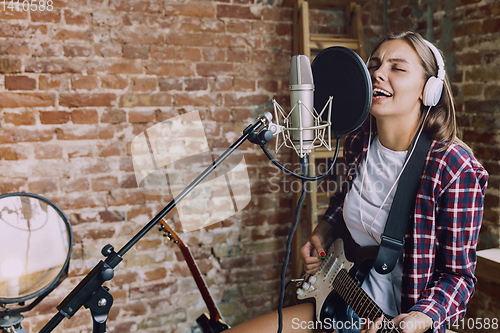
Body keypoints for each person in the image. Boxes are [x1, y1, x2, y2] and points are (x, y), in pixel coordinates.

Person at [226, 31, 488, 333]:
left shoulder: (454, 168)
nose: (378, 73)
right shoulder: (359, 141)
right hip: (339, 297)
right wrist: (323, 233)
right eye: (374, 65)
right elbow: (345, 201)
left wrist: (421, 318)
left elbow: (458, 276)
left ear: (429, 90)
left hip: (396, 322)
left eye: (397, 68)